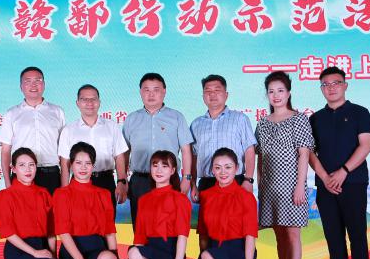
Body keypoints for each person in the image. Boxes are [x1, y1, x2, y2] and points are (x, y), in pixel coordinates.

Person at [309, 67, 370, 259]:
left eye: (336, 83)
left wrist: (343, 172)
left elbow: (365, 145)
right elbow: (309, 153)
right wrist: (326, 178)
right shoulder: (315, 119)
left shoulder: (360, 113)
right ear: (321, 89)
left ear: (345, 85)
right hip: (325, 186)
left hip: (353, 182)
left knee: (357, 234)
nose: (331, 88)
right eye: (325, 84)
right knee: (333, 237)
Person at [255, 70, 315, 259]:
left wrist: (300, 186)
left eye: (280, 90)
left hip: (292, 185)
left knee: (292, 234)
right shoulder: (262, 123)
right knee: (279, 235)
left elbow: (304, 154)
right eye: (271, 91)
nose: (276, 95)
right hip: (269, 187)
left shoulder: (299, 119)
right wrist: (260, 185)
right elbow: (260, 157)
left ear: (289, 93)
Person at [116, 150, 191, 259]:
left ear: (173, 170)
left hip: (170, 252)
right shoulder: (144, 199)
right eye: (155, 165)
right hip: (149, 252)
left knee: (134, 252)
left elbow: (182, 235)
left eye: (164, 166)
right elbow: (140, 237)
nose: (159, 170)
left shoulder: (180, 199)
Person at [187, 147, 257, 259]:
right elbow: (203, 234)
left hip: (238, 250)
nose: (223, 172)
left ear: (236, 169)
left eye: (228, 167)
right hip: (214, 250)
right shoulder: (206, 196)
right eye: (218, 168)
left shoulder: (246, 197)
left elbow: (250, 236)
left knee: (207, 256)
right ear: (212, 170)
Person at [122, 73, 194, 224]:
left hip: (169, 181)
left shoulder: (176, 117)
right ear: (140, 92)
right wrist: (122, 180)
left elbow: (186, 150)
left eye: (156, 89)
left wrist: (187, 178)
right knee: (141, 225)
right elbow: (124, 152)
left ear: (164, 91)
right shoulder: (131, 119)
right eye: (146, 90)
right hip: (140, 181)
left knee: (170, 226)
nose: (151, 94)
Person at [0, 148, 65, 259]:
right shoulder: (5, 195)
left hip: (40, 246)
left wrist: (52, 255)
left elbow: (51, 231)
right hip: (18, 250)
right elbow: (8, 233)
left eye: (31, 165)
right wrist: (35, 253)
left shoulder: (43, 193)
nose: (28, 169)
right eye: (22, 165)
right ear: (13, 169)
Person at [53, 142, 117, 259]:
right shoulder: (62, 194)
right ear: (71, 165)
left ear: (93, 166)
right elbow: (63, 232)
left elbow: (109, 230)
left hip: (97, 250)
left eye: (88, 163)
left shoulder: (103, 194)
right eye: (78, 163)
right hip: (73, 251)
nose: (83, 167)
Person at [57, 84, 129, 209]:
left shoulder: (111, 126)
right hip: (78, 184)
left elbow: (119, 156)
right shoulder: (68, 130)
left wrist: (122, 182)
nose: (89, 103)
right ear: (77, 103)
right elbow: (65, 164)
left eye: (93, 99)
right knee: (79, 220)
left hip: (105, 181)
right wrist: (64, 192)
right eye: (84, 99)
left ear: (99, 102)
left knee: (107, 219)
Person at [0, 66, 67, 193]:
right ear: (21, 87)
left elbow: (64, 151)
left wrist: (64, 184)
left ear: (44, 84)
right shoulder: (11, 113)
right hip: (21, 176)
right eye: (28, 81)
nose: (33, 85)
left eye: (37, 80)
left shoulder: (57, 111)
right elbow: (6, 151)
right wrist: (8, 183)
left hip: (51, 175)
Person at [190, 74, 256, 200]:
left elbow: (249, 150)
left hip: (235, 182)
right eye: (208, 91)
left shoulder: (240, 119)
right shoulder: (196, 124)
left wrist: (248, 180)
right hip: (206, 183)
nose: (212, 94)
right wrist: (193, 184)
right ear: (203, 96)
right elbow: (193, 157)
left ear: (226, 95)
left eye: (217, 90)